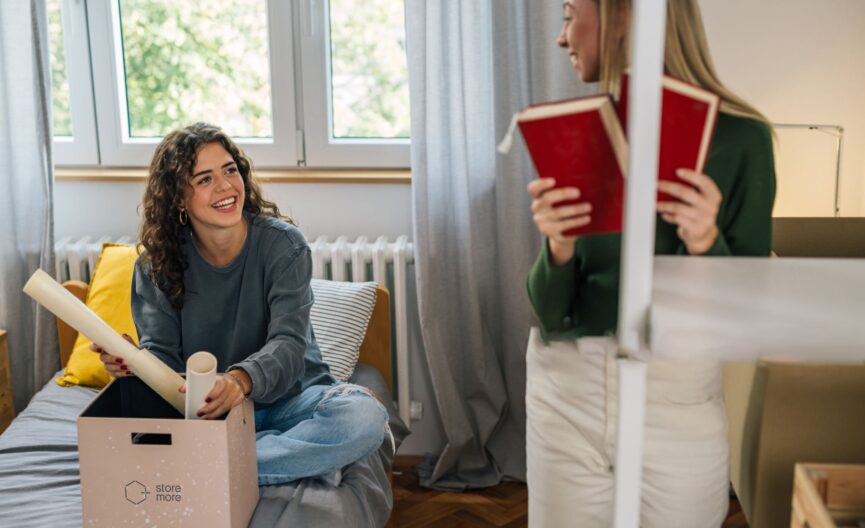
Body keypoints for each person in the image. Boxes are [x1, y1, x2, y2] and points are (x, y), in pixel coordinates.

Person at [524, 0, 775, 526]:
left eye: (569, 14)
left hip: (676, 395)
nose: (562, 38)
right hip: (568, 392)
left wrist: (706, 240)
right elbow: (551, 315)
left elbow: (743, 313)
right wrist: (558, 248)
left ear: (624, 13)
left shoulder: (741, 141)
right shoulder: (583, 133)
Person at [92, 122, 388, 486]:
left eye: (229, 170)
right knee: (127, 428)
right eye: (204, 179)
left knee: (363, 416)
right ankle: (281, 459)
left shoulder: (283, 246)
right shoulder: (155, 267)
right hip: (209, 414)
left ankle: (203, 466)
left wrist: (240, 379)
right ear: (178, 199)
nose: (225, 186)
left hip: (290, 403)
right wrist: (133, 363)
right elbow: (164, 362)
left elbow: (290, 345)